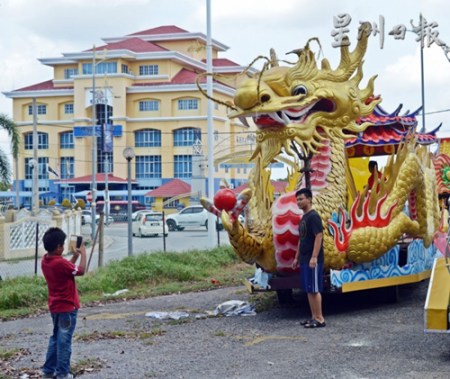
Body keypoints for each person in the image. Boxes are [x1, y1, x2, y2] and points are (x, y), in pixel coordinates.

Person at [41, 227, 87, 379]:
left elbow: (68, 269)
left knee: (55, 338)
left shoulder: (46, 260)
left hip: (55, 307)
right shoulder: (60, 263)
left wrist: (74, 256)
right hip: (67, 308)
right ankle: (62, 373)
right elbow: (80, 271)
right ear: (59, 247)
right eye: (63, 244)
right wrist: (83, 252)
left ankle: (48, 370)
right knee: (64, 342)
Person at [292, 188, 326, 328]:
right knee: (309, 288)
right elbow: (302, 238)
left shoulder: (313, 216)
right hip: (304, 259)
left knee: (314, 289)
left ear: (309, 199)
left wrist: (314, 257)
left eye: (301, 199)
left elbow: (319, 235)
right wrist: (296, 257)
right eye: (297, 200)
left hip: (313, 260)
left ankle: (320, 319)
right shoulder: (304, 218)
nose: (299, 202)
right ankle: (313, 317)